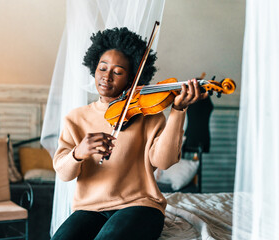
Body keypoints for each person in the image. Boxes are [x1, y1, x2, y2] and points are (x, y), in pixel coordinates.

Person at [51, 27, 207, 240]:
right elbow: (63, 173)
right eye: (102, 68)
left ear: (133, 79)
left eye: (117, 72)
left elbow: (164, 161)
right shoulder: (76, 118)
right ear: (93, 68)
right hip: (90, 209)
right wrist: (78, 152)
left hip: (140, 206)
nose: (107, 77)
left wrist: (178, 111)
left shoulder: (148, 114)